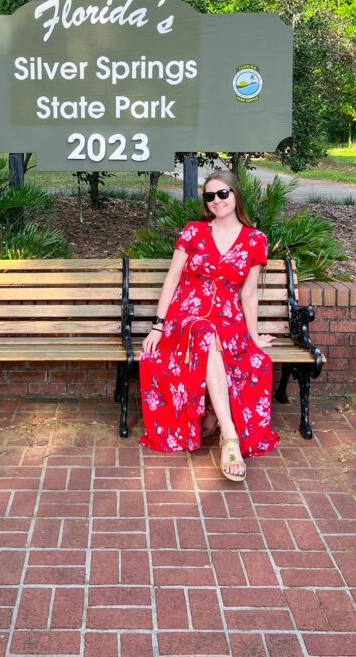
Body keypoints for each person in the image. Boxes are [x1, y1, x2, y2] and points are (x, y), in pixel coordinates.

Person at [139, 169, 280, 481]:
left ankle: (215, 417)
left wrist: (254, 336)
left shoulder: (255, 240)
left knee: (232, 346)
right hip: (186, 317)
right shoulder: (193, 232)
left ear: (235, 194)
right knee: (205, 333)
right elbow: (172, 280)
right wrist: (159, 326)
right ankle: (230, 436)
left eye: (223, 193)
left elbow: (249, 293)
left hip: (229, 320)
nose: (217, 200)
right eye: (210, 196)